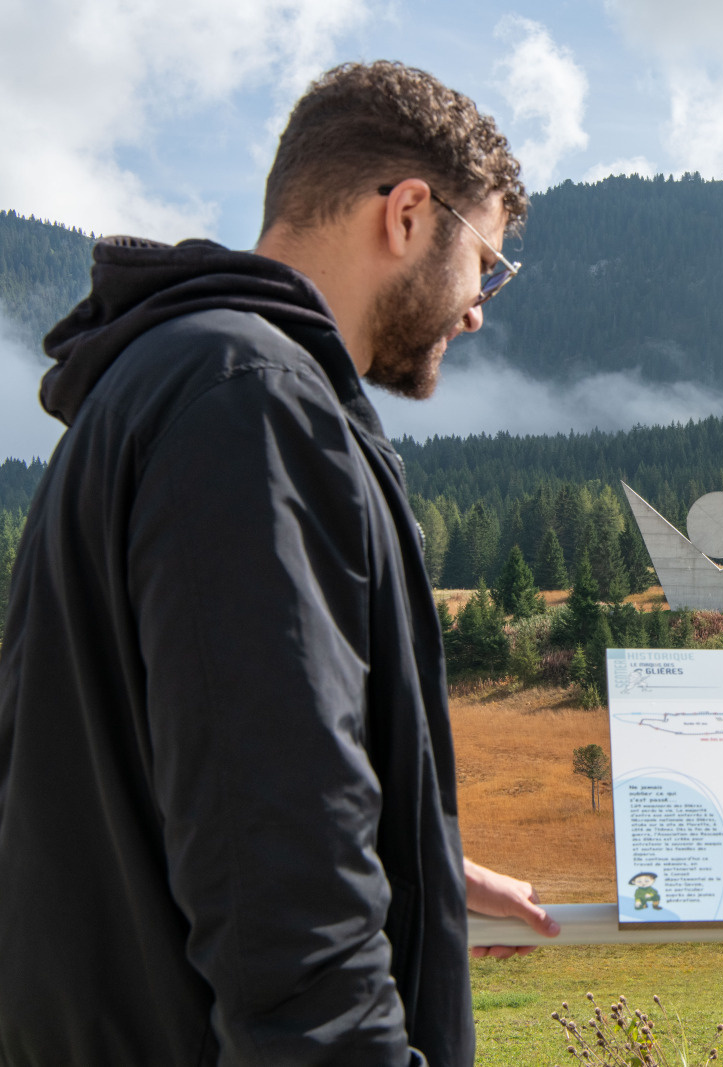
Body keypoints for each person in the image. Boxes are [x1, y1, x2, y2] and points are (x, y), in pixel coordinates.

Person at [0, 62, 557, 1065]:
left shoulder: (170, 377)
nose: (478, 307)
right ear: (408, 214)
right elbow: (278, 873)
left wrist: (411, 861)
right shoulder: (249, 399)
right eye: (488, 262)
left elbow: (210, 761)